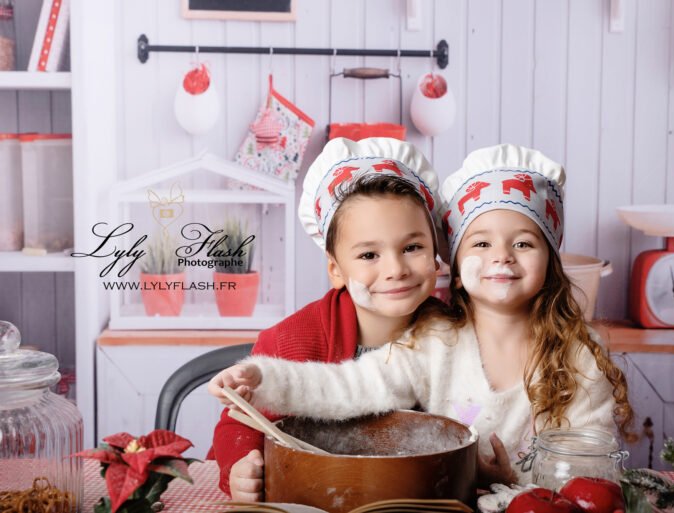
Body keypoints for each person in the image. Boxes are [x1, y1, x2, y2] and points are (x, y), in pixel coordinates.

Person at [209, 144, 635, 487]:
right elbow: (343, 386)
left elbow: (592, 468)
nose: (502, 256)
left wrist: (505, 484)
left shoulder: (570, 354)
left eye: (522, 243)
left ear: (437, 260)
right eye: (481, 244)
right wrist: (261, 380)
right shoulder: (432, 341)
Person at [208, 137, 444, 500]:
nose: (396, 269)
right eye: (369, 255)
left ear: (436, 254)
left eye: (412, 248)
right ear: (335, 269)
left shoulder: (453, 334)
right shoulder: (291, 342)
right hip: (318, 496)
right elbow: (239, 425)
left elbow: (468, 414)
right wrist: (242, 466)